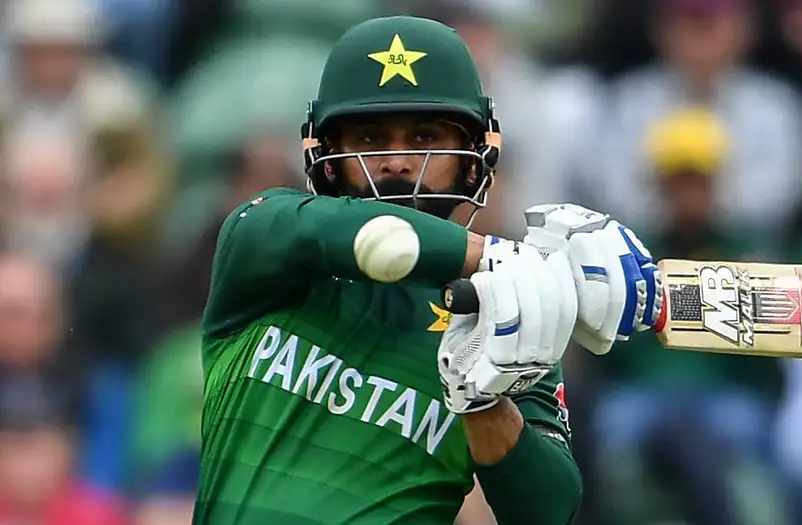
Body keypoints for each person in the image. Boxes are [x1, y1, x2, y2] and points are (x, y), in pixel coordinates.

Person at [193, 15, 662, 525]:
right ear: (325, 156)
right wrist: (504, 257)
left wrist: (483, 396)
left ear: (474, 159)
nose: (397, 162)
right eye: (370, 138)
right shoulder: (264, 242)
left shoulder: (509, 319)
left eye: (424, 136)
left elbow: (547, 511)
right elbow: (378, 240)